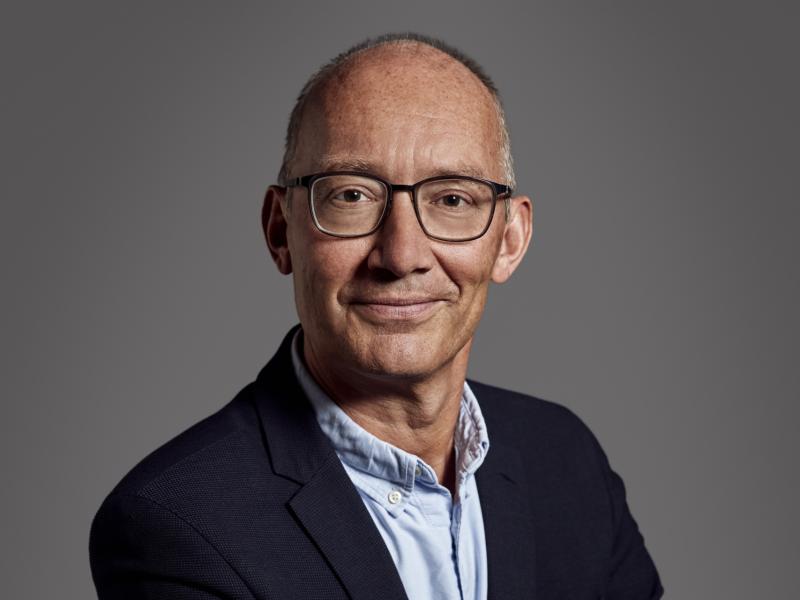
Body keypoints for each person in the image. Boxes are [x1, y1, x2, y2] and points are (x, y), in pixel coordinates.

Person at [90, 33, 663, 600]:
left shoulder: (567, 462)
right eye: (352, 196)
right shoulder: (179, 525)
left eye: (453, 199)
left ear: (510, 240)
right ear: (280, 231)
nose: (402, 255)